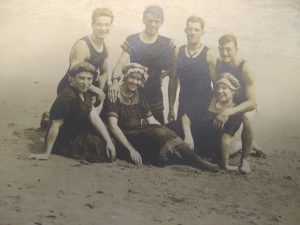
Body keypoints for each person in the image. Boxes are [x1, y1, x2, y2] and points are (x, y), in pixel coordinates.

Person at [106, 63, 219, 172]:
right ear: (125, 77)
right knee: (159, 132)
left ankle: (195, 160)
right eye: (132, 78)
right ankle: (199, 163)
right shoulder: (114, 94)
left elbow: (152, 120)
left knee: (170, 129)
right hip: (123, 138)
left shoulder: (139, 97)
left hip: (137, 135)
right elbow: (113, 126)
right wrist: (131, 150)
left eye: (138, 79)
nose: (135, 82)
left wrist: (168, 132)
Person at [29, 62, 116, 162]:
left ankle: (46, 118)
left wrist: (109, 141)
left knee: (108, 139)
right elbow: (55, 125)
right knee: (98, 149)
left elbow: (95, 118)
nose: (85, 82)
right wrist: (47, 153)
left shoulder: (85, 93)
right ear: (73, 79)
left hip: (76, 130)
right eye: (81, 78)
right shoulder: (68, 98)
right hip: (64, 138)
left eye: (89, 79)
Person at [108, 5, 177, 124]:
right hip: (134, 92)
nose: (153, 24)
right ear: (144, 20)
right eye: (150, 21)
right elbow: (120, 64)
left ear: (161, 22)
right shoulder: (133, 40)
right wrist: (114, 82)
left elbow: (175, 69)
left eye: (157, 21)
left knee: (157, 132)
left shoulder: (167, 43)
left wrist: (163, 75)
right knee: (133, 131)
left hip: (155, 95)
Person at [182, 73, 243, 171]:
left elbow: (226, 139)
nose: (220, 91)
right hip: (192, 141)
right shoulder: (207, 101)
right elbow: (186, 117)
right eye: (218, 88)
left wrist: (225, 165)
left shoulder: (234, 112)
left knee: (233, 147)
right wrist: (188, 135)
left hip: (214, 149)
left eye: (224, 88)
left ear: (233, 91)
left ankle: (248, 143)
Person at [215, 34, 257, 173]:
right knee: (222, 144)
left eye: (228, 49)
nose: (224, 53)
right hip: (229, 104)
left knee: (247, 118)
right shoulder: (219, 64)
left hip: (244, 106)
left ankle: (245, 159)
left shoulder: (244, 67)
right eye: (221, 49)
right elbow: (218, 90)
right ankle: (244, 145)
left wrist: (229, 111)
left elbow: (252, 102)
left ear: (236, 49)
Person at [57, 8, 114, 103]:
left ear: (111, 26)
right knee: (86, 116)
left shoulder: (106, 47)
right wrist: (97, 91)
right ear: (92, 25)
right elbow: (73, 76)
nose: (103, 29)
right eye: (99, 24)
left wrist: (100, 90)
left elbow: (104, 72)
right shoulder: (83, 46)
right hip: (70, 88)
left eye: (107, 25)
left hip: (86, 86)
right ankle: (49, 116)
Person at [176, 15, 217, 141]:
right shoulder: (179, 51)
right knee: (182, 144)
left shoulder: (208, 54)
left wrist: (215, 109)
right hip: (184, 103)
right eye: (190, 29)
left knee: (204, 149)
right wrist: (171, 108)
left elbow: (216, 84)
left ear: (202, 32)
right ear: (185, 30)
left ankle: (242, 145)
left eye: (196, 30)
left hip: (204, 105)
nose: (192, 32)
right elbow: (174, 81)